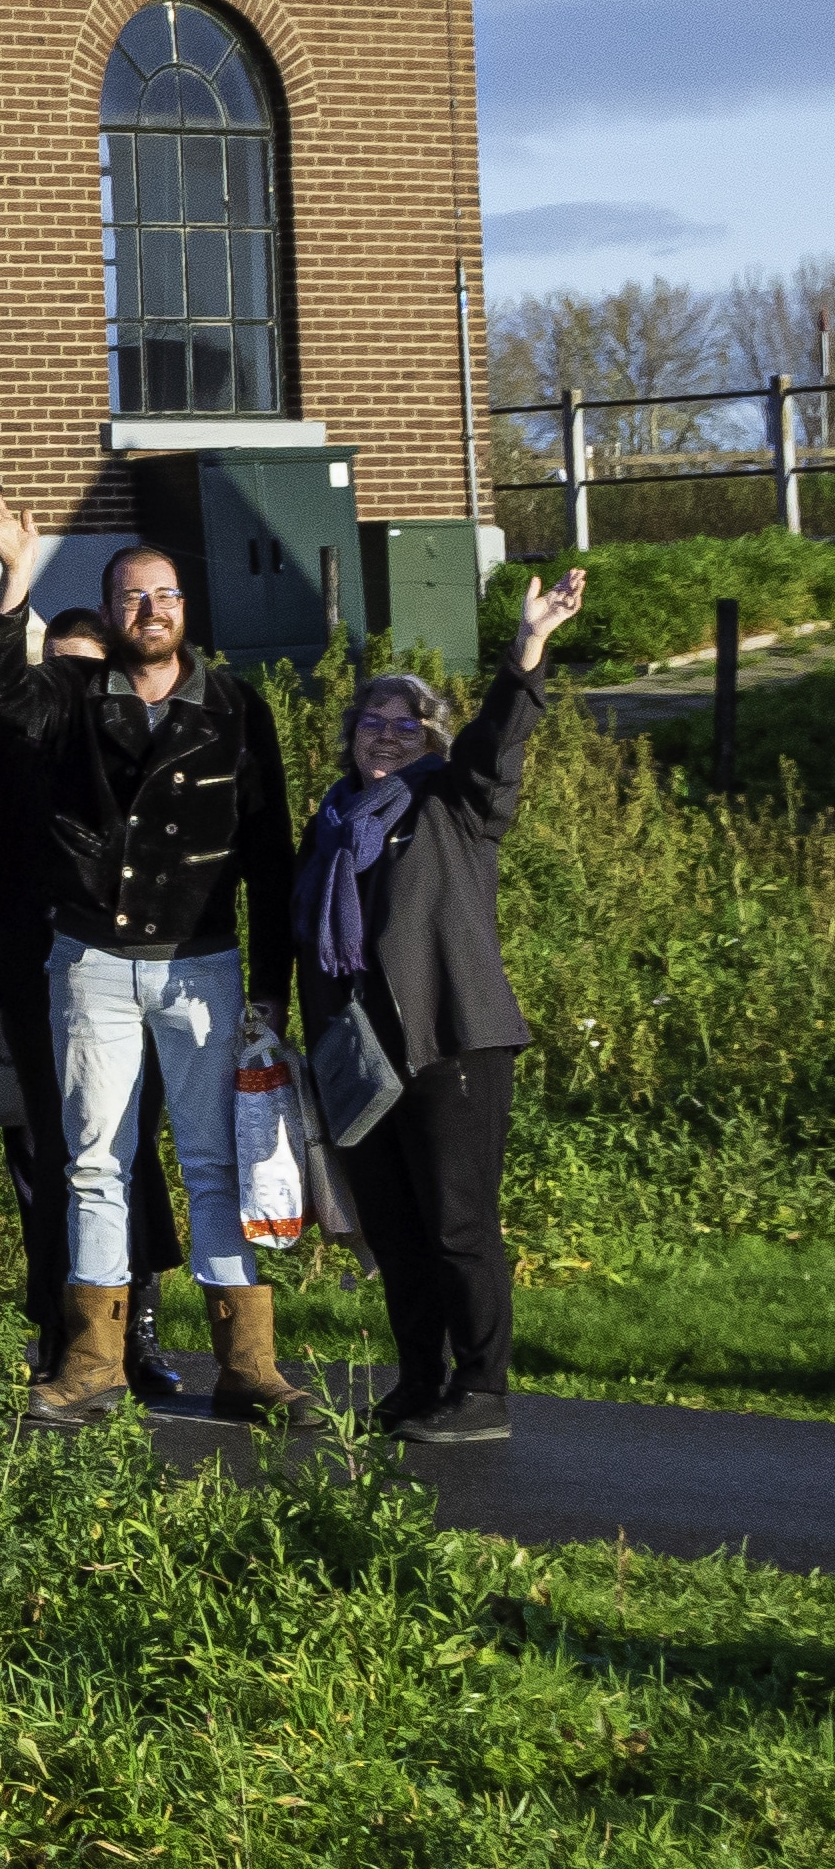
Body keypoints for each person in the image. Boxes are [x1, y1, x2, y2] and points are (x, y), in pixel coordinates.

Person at [0, 480, 308, 1428]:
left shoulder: (239, 709)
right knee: (92, 1163)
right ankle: (91, 1362)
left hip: (203, 965)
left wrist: (270, 993)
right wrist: (13, 580)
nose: (149, 612)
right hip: (93, 963)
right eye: (131, 598)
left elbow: (270, 859)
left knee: (213, 1162)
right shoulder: (70, 696)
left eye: (165, 596)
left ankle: (248, 1364)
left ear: (185, 611)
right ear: (111, 613)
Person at [298, 566, 581, 1444]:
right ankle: (419, 1380)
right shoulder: (334, 820)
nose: (385, 736)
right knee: (396, 1230)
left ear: (431, 739)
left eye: (405, 724)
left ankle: (482, 1392)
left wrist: (527, 647)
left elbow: (499, 741)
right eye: (372, 723)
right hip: (361, 1058)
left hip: (450, 1043)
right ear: (351, 737)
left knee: (459, 1223)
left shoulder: (455, 801)